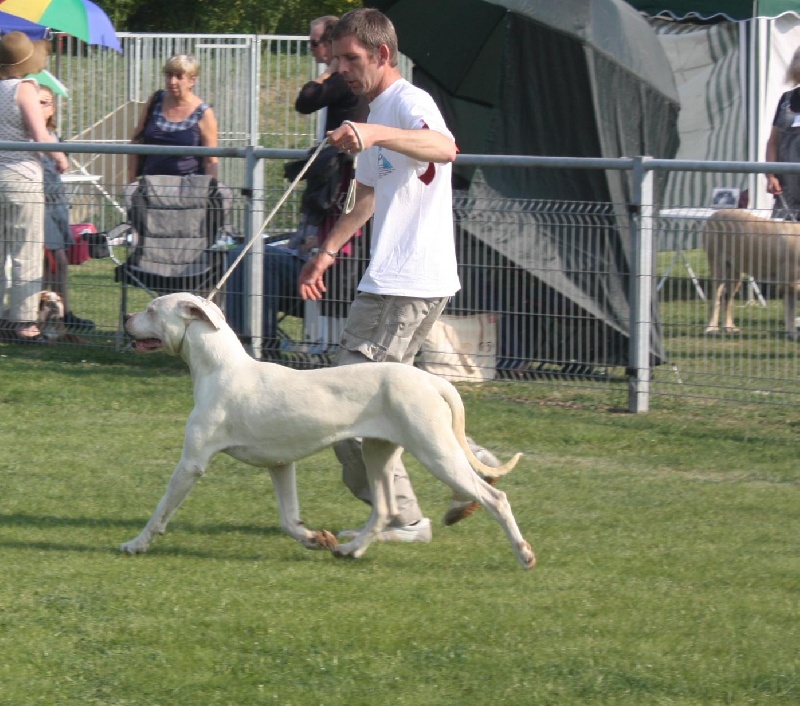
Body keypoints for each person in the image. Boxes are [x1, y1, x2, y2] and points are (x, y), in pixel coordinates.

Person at [297, 8, 501, 544]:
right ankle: (469, 464)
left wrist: (374, 132)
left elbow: (445, 147)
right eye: (337, 57)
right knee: (390, 403)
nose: (340, 68)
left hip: (406, 283)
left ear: (382, 55)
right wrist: (328, 251)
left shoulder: (409, 103)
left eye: (351, 59)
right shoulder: (376, 110)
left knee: (346, 408)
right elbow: (366, 197)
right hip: (391, 279)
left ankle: (405, 520)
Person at [232, 16, 369, 356]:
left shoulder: (340, 80)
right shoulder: (344, 81)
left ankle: (299, 342)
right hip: (333, 178)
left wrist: (329, 71)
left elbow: (305, 100)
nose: (313, 50)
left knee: (323, 240)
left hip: (340, 179)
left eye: (316, 44)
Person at [0, 31, 69, 343]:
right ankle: (24, 323)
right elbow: (39, 132)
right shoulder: (24, 88)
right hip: (22, 177)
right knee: (26, 250)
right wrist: (59, 156)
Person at [39, 85, 95, 333]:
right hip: (38, 204)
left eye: (47, 103)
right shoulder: (28, 136)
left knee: (57, 262)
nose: (43, 108)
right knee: (54, 261)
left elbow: (63, 166)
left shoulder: (54, 136)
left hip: (57, 203)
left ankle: (59, 312)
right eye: (38, 102)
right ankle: (54, 313)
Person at [127, 54, 218, 182]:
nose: (172, 82)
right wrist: (131, 181)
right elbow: (136, 141)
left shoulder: (203, 113)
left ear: (192, 81)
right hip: (151, 188)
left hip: (187, 192)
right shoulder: (155, 101)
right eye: (169, 75)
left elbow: (211, 161)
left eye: (179, 77)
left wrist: (210, 192)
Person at [766, 46, 800, 219]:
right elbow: (773, 142)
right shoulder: (786, 100)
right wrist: (771, 176)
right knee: (782, 241)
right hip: (786, 190)